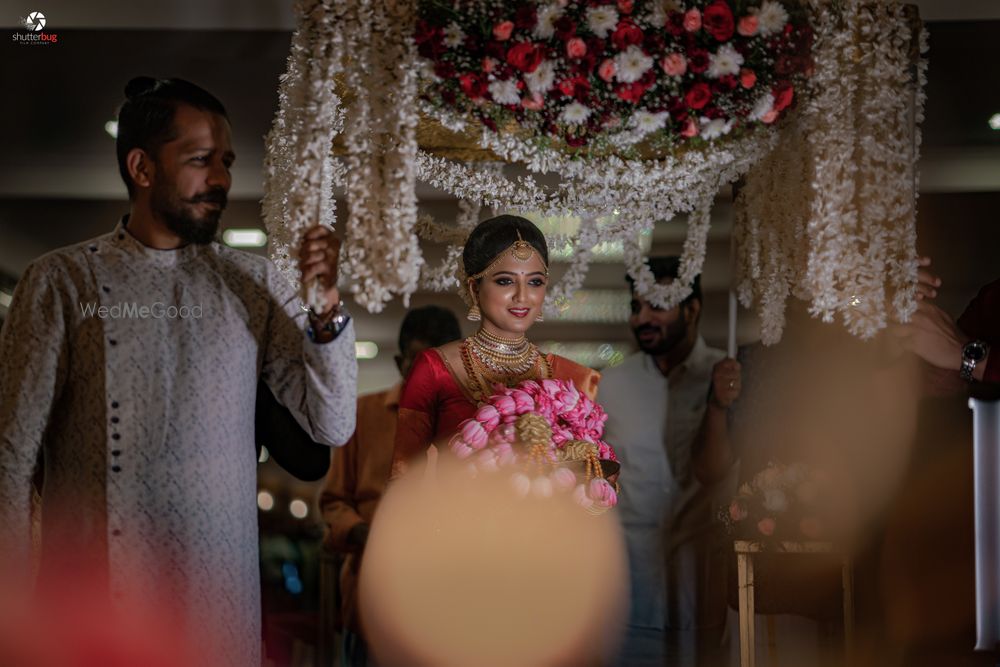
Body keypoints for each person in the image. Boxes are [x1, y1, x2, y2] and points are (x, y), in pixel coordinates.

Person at [0, 77, 357, 666]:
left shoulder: (257, 283)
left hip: (217, 613)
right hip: (90, 608)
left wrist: (325, 312)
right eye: (199, 161)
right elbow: (10, 460)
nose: (219, 179)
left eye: (226, 162)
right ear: (142, 168)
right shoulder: (62, 281)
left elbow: (334, 425)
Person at [600, 257, 739, 667]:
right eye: (635, 307)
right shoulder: (609, 387)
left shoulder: (727, 380)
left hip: (703, 598)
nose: (641, 318)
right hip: (627, 604)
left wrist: (718, 404)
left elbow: (723, 474)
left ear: (692, 309)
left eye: (656, 306)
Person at [390, 215, 600, 479]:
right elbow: (403, 477)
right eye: (505, 281)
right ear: (474, 287)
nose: (522, 296)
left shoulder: (574, 378)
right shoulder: (435, 369)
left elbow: (592, 487)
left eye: (535, 282)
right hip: (459, 518)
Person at [319, 305, 462, 667]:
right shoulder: (362, 416)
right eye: (420, 362)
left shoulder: (475, 425)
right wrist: (367, 534)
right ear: (400, 363)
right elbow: (334, 503)